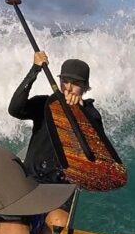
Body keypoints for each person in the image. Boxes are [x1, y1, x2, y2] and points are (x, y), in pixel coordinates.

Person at [7, 51, 106, 185]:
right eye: (65, 81)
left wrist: (78, 110)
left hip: (59, 188)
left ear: (86, 87)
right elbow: (14, 109)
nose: (69, 88)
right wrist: (34, 70)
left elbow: (96, 151)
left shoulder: (91, 114)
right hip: (30, 180)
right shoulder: (44, 104)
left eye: (76, 84)